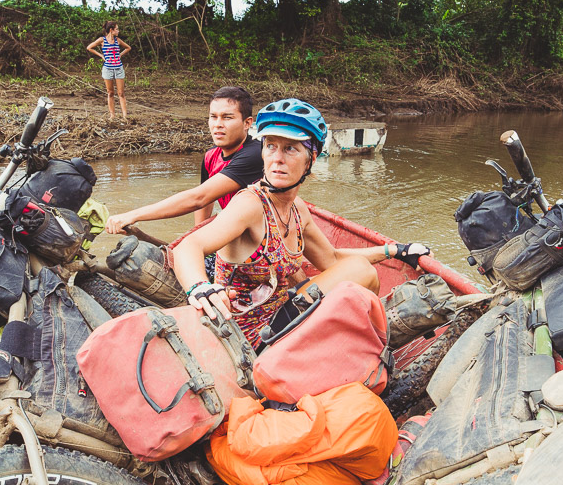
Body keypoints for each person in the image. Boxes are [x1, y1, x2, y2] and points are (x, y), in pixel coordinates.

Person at [172, 99, 431, 346]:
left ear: (311, 159)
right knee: (362, 273)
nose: (277, 159)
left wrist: (395, 250)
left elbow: (332, 260)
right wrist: (200, 287)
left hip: (283, 319)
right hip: (251, 338)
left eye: (290, 149)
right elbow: (189, 246)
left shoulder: (297, 209)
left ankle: (366, 342)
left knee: (361, 273)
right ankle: (370, 341)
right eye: (271, 146)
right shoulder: (250, 204)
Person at [106, 86, 263, 234]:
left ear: (247, 123)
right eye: (213, 117)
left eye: (227, 117)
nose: (218, 125)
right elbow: (206, 201)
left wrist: (133, 215)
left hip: (260, 240)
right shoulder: (211, 156)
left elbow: (198, 198)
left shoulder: (256, 154)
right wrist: (195, 238)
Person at [87, 21, 130, 119]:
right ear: (111, 30)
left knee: (121, 93)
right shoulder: (102, 40)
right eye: (117, 29)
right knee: (110, 93)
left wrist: (120, 55)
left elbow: (128, 48)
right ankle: (112, 115)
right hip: (108, 69)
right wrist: (101, 55)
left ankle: (125, 116)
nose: (118, 31)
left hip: (118, 68)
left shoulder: (118, 40)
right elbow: (89, 47)